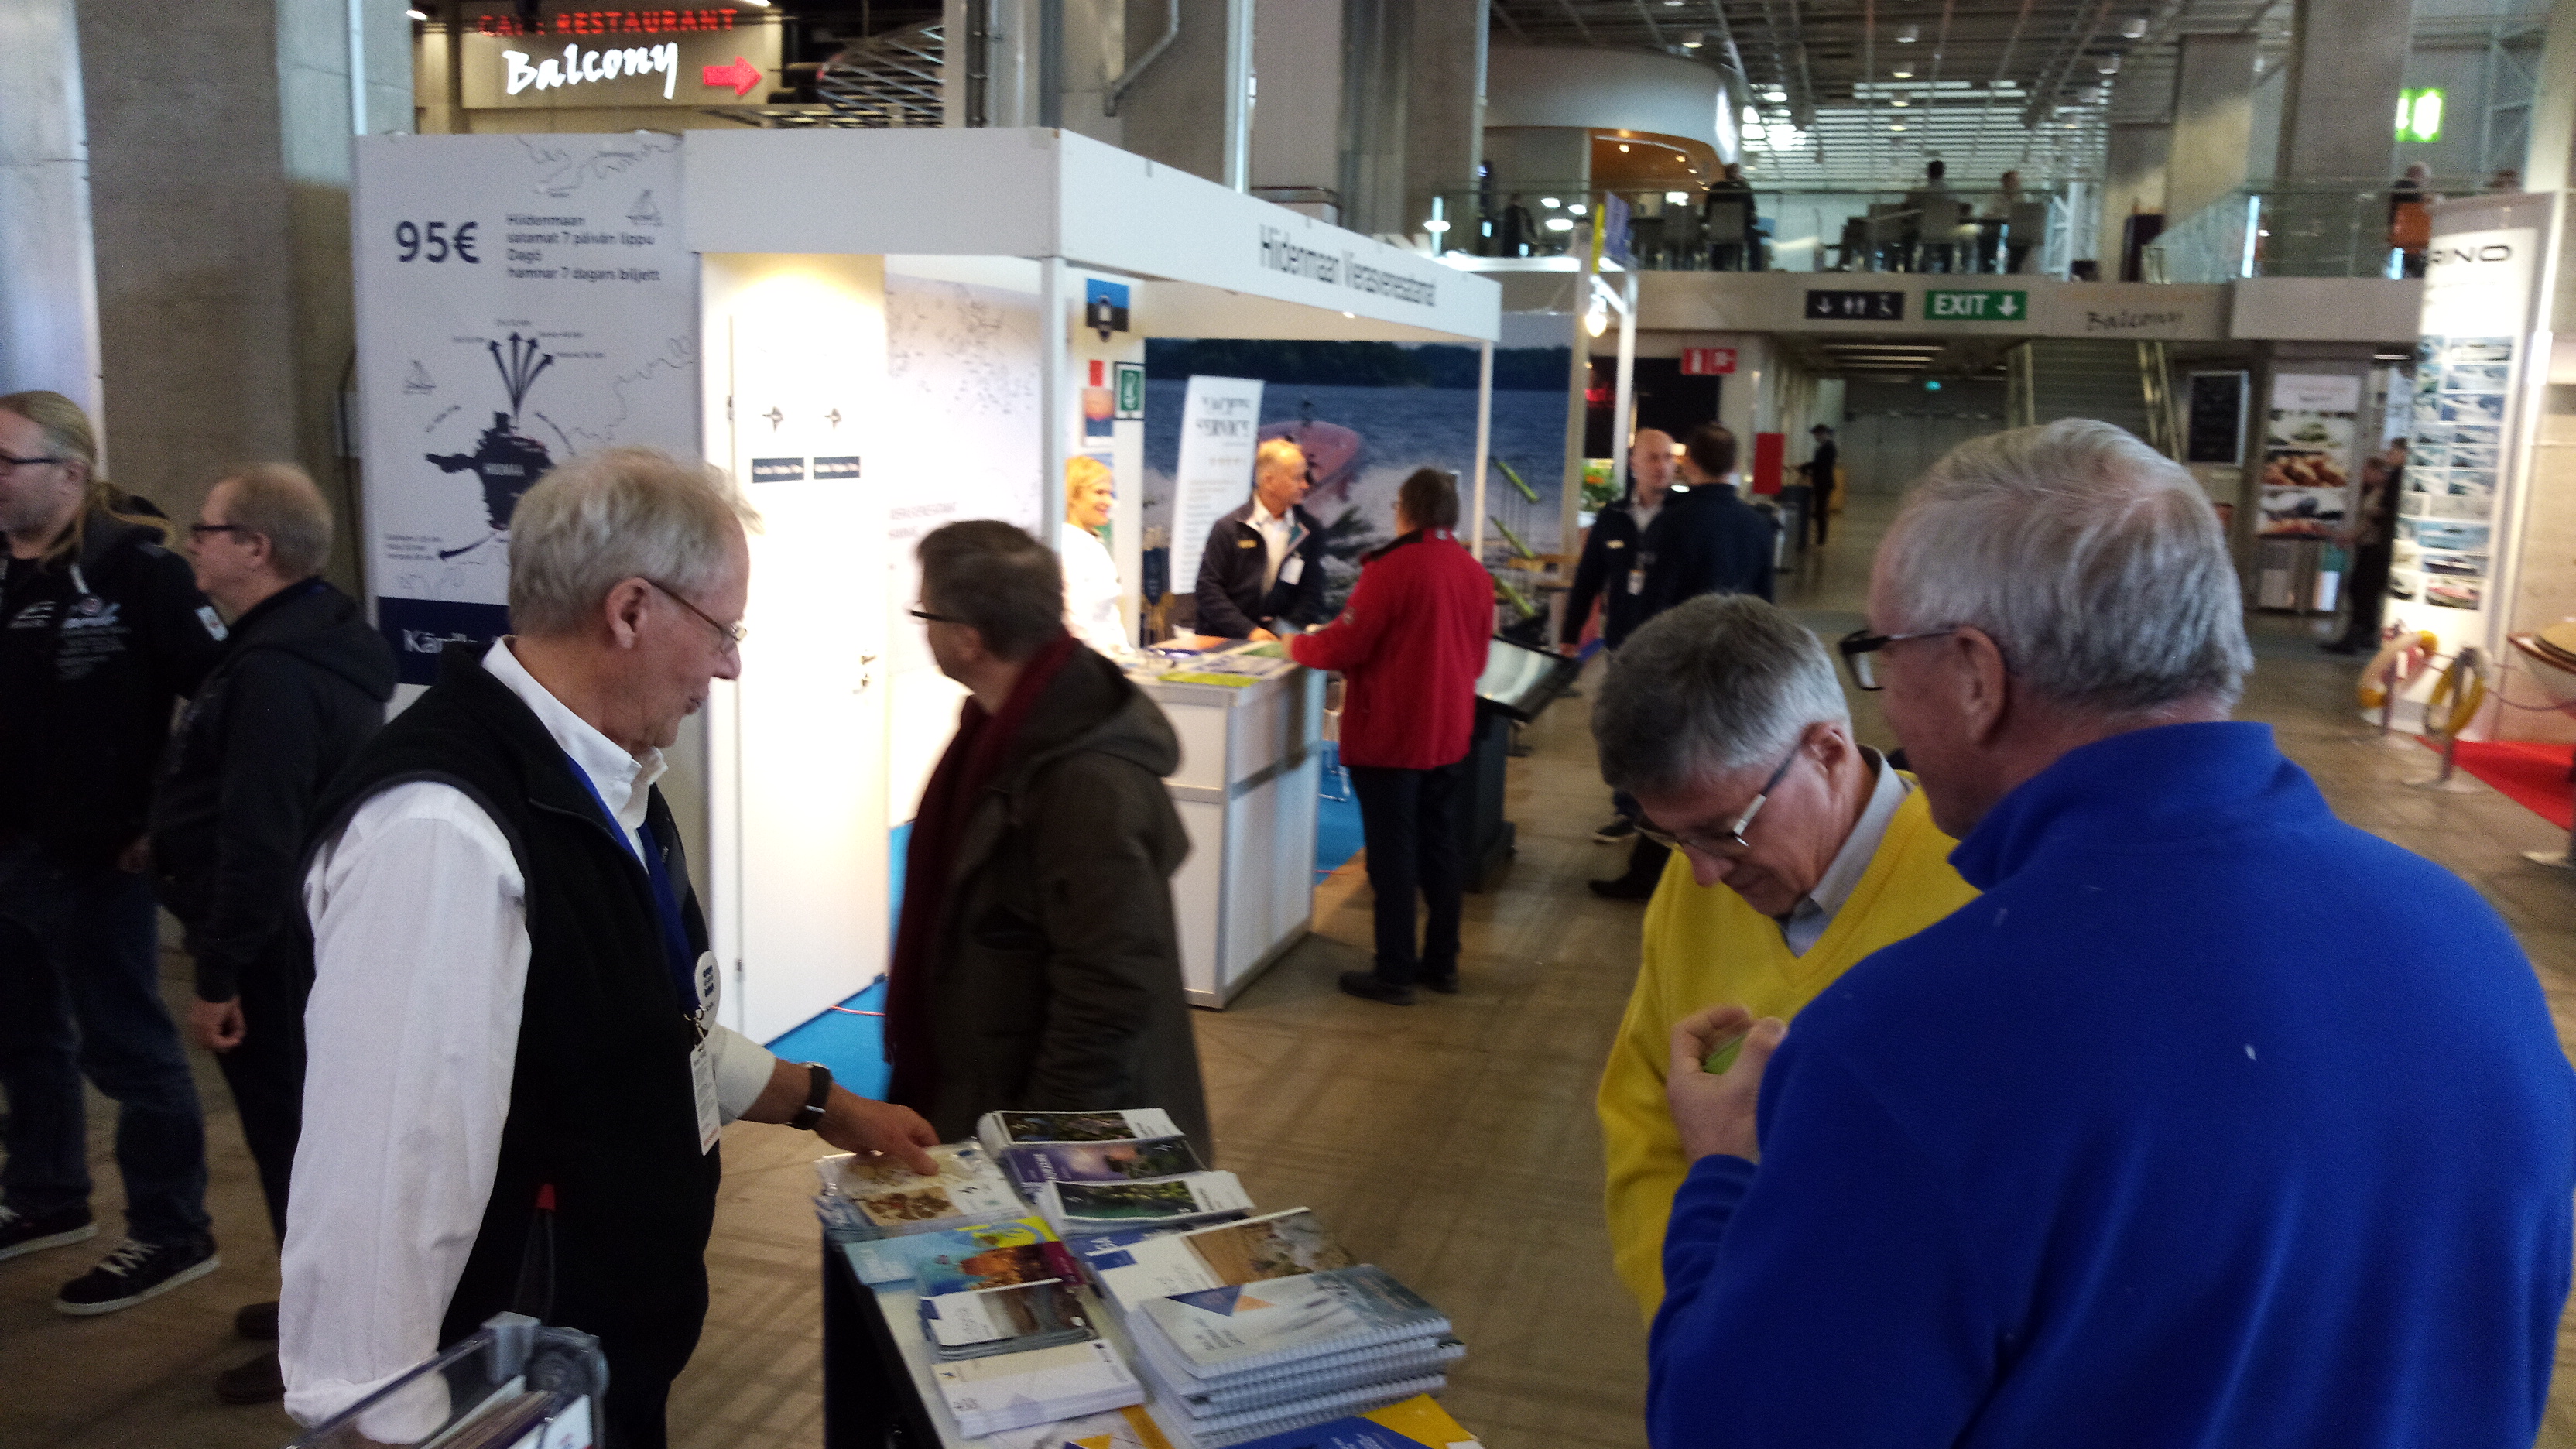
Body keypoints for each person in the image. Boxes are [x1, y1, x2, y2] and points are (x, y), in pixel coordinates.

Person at [1647, 420, 2576, 1446]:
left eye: (1882, 656)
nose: (1886, 709)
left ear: (1975, 675)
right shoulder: (2472, 949)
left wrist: (1722, 1172)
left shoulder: (1913, 1041)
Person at [281, 448, 938, 1447]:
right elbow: (383, 1188)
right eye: (722, 631)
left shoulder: (605, 780)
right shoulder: (443, 834)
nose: (729, 666)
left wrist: (826, 1105)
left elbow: (640, 1027)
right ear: (630, 610)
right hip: (505, 1389)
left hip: (597, 1348)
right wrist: (381, 1424)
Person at [1591, 594, 1975, 1315]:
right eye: (1673, 837)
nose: (1705, 873)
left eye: (1725, 830)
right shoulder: (1696, 876)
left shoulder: (1979, 892)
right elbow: (1643, 1117)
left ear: (1826, 751)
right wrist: (1690, 1312)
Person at [149, 462, 396, 1404]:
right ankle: (312, 1303)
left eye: (206, 529)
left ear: (255, 548)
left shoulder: (276, 672)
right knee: (296, 1142)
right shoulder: (308, 638)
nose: (191, 543)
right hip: (297, 939)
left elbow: (260, 838)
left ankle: (325, 1343)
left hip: (274, 954)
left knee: (298, 1146)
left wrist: (217, 976)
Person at [0, 390, 229, 1315]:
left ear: (71, 473)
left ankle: (172, 1230)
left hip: (97, 857)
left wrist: (161, 815)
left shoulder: (139, 572)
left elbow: (220, 697)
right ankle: (46, 1193)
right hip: (8, 850)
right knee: (23, 1036)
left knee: (129, 1049)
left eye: (6, 461)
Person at [890, 519, 1211, 1154]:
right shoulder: (1006, 732)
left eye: (924, 614)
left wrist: (1043, 1142)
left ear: (968, 639)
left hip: (1053, 1118)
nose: (922, 630)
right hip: (994, 1078)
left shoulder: (1084, 780)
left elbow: (1108, 987)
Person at [1290, 470, 1493, 1005]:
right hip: (1447, 733)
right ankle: (1442, 964)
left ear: (1406, 510)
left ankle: (1395, 971)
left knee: (1392, 855)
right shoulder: (1473, 572)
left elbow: (1344, 646)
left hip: (1392, 735)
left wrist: (1294, 647)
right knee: (1440, 848)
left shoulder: (1392, 569)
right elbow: (1478, 660)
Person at [1594, 424, 1777, 900]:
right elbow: (1766, 608)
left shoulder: (1672, 523)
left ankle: (1652, 874)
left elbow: (1655, 605)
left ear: (1688, 463)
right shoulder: (1757, 526)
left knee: (1667, 772)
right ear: (1735, 465)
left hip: (1681, 671)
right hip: (1736, 670)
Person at [1564, 430, 1677, 848]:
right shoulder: (1612, 517)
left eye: (1668, 458)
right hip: (1624, 644)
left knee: (1669, 730)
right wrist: (1570, 633)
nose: (1663, 466)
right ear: (1634, 463)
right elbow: (1588, 579)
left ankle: (1668, 811)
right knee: (1626, 728)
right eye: (1654, 458)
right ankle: (1628, 810)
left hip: (1672, 644)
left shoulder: (1684, 516)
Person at [1194, 436, 1328, 641]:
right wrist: (1249, 631)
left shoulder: (1309, 531)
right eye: (1296, 478)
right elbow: (1208, 590)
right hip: (1224, 641)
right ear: (1269, 481)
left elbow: (1312, 593)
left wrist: (1283, 633)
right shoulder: (1229, 527)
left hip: (1280, 642)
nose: (1304, 485)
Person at [2324, 437, 2404, 655]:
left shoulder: (2389, 487)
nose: (2364, 476)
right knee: (2364, 591)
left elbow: (2374, 519)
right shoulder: (2384, 486)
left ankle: (2355, 637)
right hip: (2373, 545)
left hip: (2376, 547)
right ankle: (2365, 634)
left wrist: (2351, 536)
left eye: (2393, 451)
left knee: (2361, 589)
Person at [1060, 455, 1127, 653]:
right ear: (1072, 495)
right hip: (1085, 659)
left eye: (1109, 493)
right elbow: (1075, 621)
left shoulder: (1095, 545)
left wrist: (1125, 654)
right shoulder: (1066, 548)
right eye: (1099, 492)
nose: (1109, 501)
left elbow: (1109, 616)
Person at [2389, 163, 2435, 278]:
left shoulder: (2402, 189)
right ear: (2419, 175)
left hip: (2407, 238)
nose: (2427, 184)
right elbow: (2417, 203)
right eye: (2426, 179)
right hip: (2409, 238)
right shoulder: (2406, 188)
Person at [1804, 424, 1838, 547]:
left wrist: (1805, 467)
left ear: (1822, 433)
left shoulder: (1829, 447)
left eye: (1816, 435)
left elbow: (1821, 464)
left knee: (1821, 510)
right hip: (1820, 482)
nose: (1815, 437)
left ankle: (1821, 538)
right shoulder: (1824, 446)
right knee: (1819, 509)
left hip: (1823, 483)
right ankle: (1820, 537)